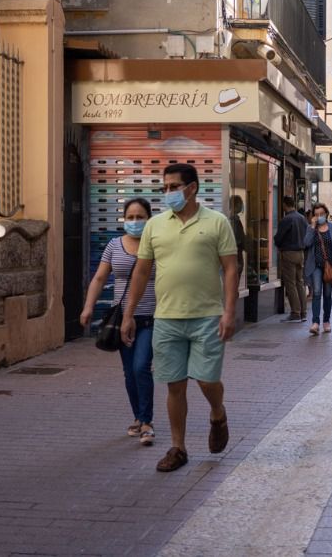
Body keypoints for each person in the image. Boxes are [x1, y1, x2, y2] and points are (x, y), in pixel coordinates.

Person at [121, 163, 240, 473]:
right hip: (167, 318)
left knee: (206, 378)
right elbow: (142, 271)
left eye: (174, 187)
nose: (168, 193)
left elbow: (230, 268)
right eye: (165, 188)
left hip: (207, 316)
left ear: (192, 188)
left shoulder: (217, 223)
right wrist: (129, 314)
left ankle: (217, 412)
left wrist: (229, 312)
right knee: (174, 385)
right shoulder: (155, 226)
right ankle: (178, 448)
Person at [81, 198, 157, 447]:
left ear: (149, 218)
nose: (135, 221)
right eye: (131, 217)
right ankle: (137, 416)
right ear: (124, 219)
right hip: (122, 321)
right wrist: (88, 307)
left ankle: (147, 422)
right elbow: (99, 278)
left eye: (140, 217)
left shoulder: (156, 245)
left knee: (140, 367)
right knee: (129, 372)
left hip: (150, 318)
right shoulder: (114, 245)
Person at [303, 203, 332, 335]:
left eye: (321, 214)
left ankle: (326, 321)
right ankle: (315, 323)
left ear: (326, 214)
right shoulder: (311, 228)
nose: (319, 217)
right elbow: (306, 243)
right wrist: (312, 227)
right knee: (317, 292)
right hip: (316, 266)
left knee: (328, 295)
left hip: (330, 266)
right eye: (316, 214)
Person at [274, 196, 309, 322]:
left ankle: (295, 311)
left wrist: (278, 244)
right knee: (300, 282)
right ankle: (303, 312)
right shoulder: (302, 218)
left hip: (289, 253)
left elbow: (278, 238)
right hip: (301, 253)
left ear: (285, 205)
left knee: (290, 283)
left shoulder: (286, 219)